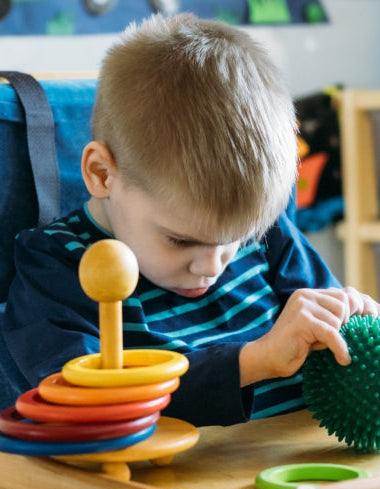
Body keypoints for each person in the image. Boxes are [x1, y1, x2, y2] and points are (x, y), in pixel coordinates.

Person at [3, 13, 380, 426]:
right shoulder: (57, 266)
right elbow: (80, 406)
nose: (212, 266)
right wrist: (253, 361)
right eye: (181, 241)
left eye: (235, 239)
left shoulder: (266, 235)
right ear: (102, 174)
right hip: (169, 485)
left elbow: (331, 348)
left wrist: (349, 323)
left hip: (299, 473)